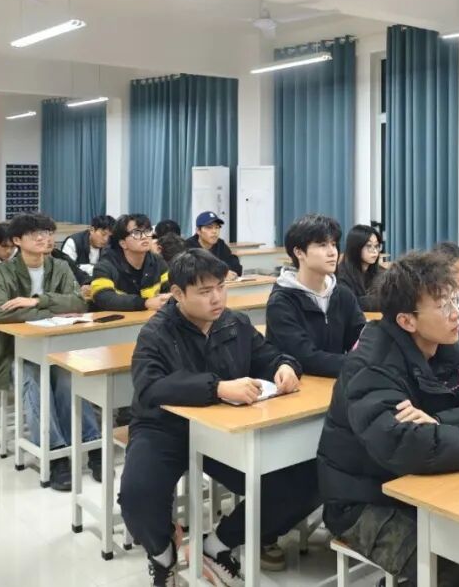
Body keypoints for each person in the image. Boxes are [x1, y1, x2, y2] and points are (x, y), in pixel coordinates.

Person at [317, 251, 459, 587]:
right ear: (407, 321)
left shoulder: (454, 346)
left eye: (456, 299)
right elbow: (404, 444)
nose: (457, 313)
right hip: (365, 500)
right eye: (444, 306)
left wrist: (440, 422)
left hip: (432, 482)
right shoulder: (372, 363)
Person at [119, 249, 318, 586]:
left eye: (221, 287)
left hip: (226, 430)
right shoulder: (157, 332)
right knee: (138, 496)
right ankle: (163, 553)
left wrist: (285, 366)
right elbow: (150, 387)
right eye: (205, 291)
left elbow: (268, 356)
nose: (217, 298)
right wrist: (218, 388)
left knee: (305, 481)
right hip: (164, 429)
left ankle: (218, 545)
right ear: (178, 293)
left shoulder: (235, 323)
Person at [0, 213, 99, 491]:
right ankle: (55, 453)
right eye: (35, 234)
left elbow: (79, 304)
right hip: (14, 350)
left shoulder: (60, 266)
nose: (44, 238)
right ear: (17, 240)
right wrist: (53, 310)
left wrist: (36, 301)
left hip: (58, 348)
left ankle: (92, 444)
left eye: (48, 233)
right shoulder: (3, 272)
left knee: (69, 379)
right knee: (33, 379)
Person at [265, 214, 365, 377]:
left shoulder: (343, 295)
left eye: (334, 244)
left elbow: (362, 339)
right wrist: (358, 365)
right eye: (322, 245)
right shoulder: (281, 303)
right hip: (301, 385)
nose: (332, 252)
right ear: (299, 252)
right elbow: (305, 358)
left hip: (337, 382)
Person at [90, 214, 170, 312]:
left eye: (147, 231)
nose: (144, 237)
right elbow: (102, 297)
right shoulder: (105, 266)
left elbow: (171, 289)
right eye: (136, 233)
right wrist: (145, 303)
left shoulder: (158, 262)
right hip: (117, 320)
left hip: (151, 318)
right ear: (123, 243)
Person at [335, 224, 385, 311]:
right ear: (356, 248)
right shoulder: (341, 275)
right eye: (369, 246)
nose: (374, 251)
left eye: (377, 246)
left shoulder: (381, 272)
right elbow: (350, 303)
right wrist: (378, 300)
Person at [184, 212, 242, 278]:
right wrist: (221, 273)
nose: (214, 231)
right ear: (198, 231)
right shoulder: (188, 246)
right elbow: (191, 272)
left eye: (217, 227)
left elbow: (236, 267)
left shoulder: (220, 244)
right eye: (209, 227)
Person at [61, 215, 114, 280]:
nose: (106, 239)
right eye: (103, 234)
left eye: (109, 236)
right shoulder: (73, 242)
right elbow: (66, 270)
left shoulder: (109, 245)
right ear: (92, 230)